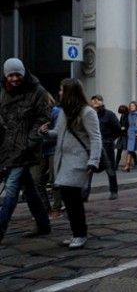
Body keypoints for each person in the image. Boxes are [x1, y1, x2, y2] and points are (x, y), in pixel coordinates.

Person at [41, 78, 101, 249]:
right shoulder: (63, 112)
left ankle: (80, 234)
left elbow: (96, 138)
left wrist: (93, 161)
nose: (59, 93)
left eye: (61, 90)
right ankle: (77, 233)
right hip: (63, 161)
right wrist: (45, 133)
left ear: (69, 92)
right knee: (69, 199)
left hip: (78, 161)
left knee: (72, 199)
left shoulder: (87, 112)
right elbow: (58, 134)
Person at [0, 58, 51, 243]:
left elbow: (43, 118)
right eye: (11, 75)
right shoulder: (4, 93)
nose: (14, 78)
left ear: (23, 73)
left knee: (12, 188)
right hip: (8, 149)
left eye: (17, 74)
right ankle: (43, 224)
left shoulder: (37, 91)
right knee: (29, 189)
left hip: (27, 149)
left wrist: (29, 142)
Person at [91, 95, 122, 200]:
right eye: (93, 100)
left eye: (98, 100)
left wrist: (110, 139)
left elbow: (118, 129)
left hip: (106, 145)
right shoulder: (90, 114)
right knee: (89, 169)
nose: (95, 101)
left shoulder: (109, 114)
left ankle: (114, 191)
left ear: (102, 102)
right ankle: (84, 194)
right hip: (92, 146)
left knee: (110, 169)